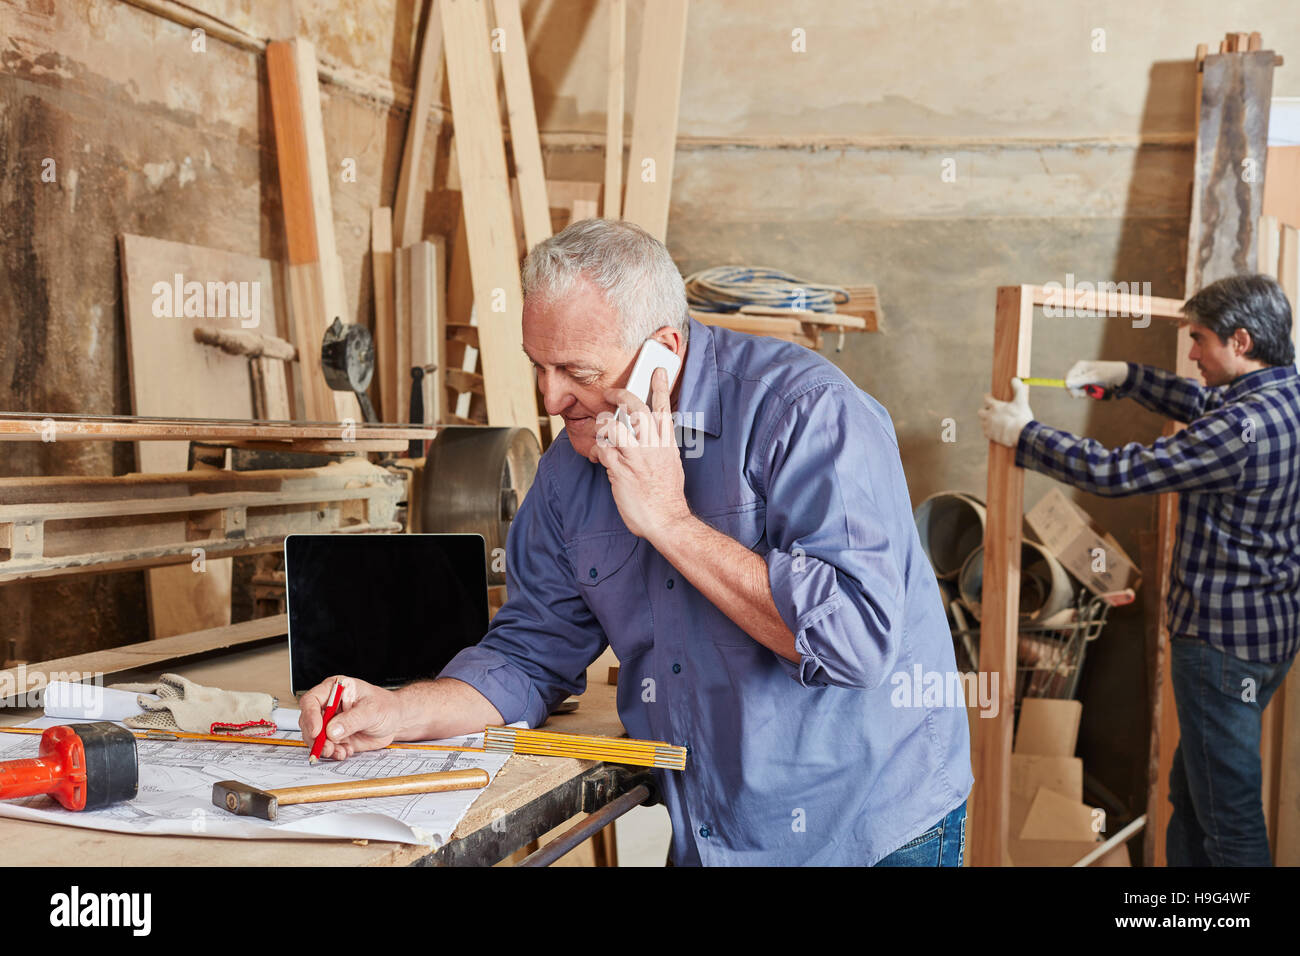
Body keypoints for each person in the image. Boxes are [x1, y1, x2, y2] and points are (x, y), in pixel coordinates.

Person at [301, 219, 971, 866]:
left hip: (868, 826)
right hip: (715, 828)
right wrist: (398, 710)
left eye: (577, 372)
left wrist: (670, 522)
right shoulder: (570, 471)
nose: (551, 399)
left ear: (665, 350)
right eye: (538, 367)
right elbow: (531, 655)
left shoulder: (806, 412)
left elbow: (854, 641)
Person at [979, 273, 1300, 866]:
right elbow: (1206, 403)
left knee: (1228, 822)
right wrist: (1126, 379)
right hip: (1266, 636)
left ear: (1243, 341)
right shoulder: (1282, 400)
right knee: (1195, 798)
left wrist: (1025, 436)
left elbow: (1119, 473)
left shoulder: (1239, 429)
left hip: (1220, 647)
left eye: (1200, 340)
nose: (1193, 354)